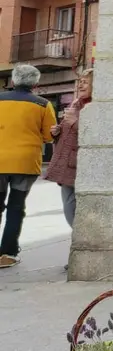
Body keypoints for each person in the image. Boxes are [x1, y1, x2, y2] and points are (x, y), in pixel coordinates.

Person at [0, 64, 56, 268]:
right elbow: (49, 135)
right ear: (36, 83)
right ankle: (7, 253)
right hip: (25, 162)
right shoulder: (42, 104)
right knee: (16, 207)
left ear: (13, 81)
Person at [46, 69, 94, 228]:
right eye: (80, 82)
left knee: (74, 205)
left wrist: (74, 122)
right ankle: (77, 235)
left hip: (84, 164)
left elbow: (98, 135)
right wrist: (57, 131)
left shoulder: (97, 107)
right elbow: (67, 130)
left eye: (85, 82)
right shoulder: (75, 103)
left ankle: (80, 237)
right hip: (68, 161)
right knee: (68, 203)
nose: (80, 85)